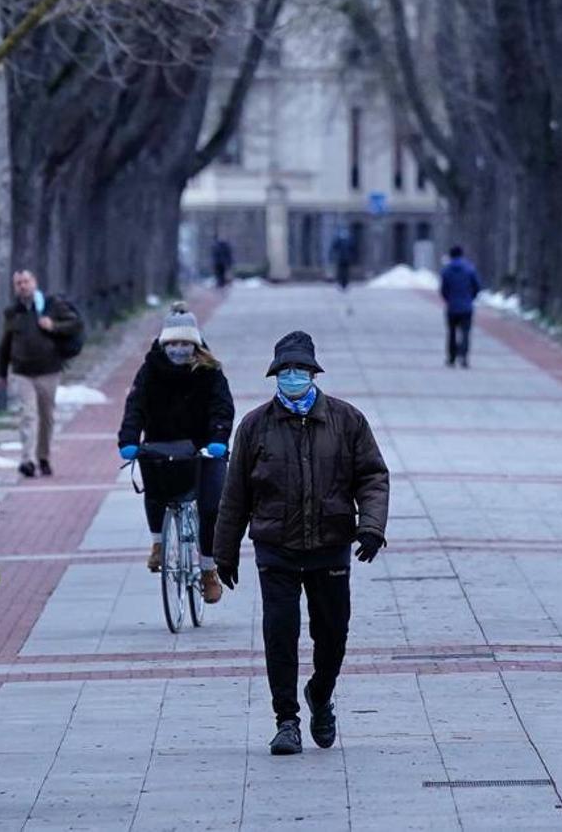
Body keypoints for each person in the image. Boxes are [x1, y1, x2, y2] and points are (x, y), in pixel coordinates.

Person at [214, 331, 389, 756]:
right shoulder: (255, 426)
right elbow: (235, 493)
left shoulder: (347, 420)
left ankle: (321, 693)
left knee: (332, 634)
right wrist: (224, 551)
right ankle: (286, 720)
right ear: (275, 376)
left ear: (313, 373)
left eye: (300, 370)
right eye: (285, 371)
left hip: (330, 544)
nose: (292, 377)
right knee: (280, 634)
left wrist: (371, 526)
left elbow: (372, 476)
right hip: (277, 548)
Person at [117, 303, 235, 602]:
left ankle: (208, 569)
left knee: (211, 506)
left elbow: (222, 408)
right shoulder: (150, 370)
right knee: (156, 491)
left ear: (195, 343)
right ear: (163, 343)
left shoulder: (210, 371)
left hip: (204, 449)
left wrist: (219, 439)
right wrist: (128, 439)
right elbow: (136, 407)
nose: (179, 349)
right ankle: (158, 542)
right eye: (173, 343)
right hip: (160, 446)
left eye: (185, 343)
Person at [0, 269, 80, 477]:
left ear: (34, 282)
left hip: (48, 369)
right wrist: (1, 372)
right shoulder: (12, 312)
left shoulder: (51, 305)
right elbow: (6, 342)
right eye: (18, 283)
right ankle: (27, 460)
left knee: (46, 416)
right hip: (22, 371)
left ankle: (43, 456)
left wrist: (54, 325)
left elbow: (75, 323)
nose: (23, 286)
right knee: (28, 415)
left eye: (26, 281)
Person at [439, 245, 483, 368]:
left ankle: (451, 358)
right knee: (465, 332)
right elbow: (477, 286)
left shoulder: (446, 270)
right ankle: (464, 357)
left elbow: (443, 289)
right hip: (466, 307)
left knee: (451, 332)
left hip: (452, 307)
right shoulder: (470, 269)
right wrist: (470, 298)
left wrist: (449, 299)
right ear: (462, 254)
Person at [330, 228, 355, 292]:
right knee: (344, 272)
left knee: (342, 272)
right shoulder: (349, 240)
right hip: (346, 258)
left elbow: (334, 247)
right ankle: (344, 284)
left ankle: (342, 283)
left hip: (342, 258)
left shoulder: (340, 240)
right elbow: (352, 248)